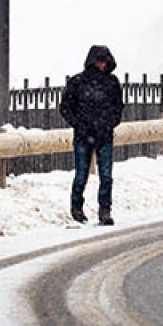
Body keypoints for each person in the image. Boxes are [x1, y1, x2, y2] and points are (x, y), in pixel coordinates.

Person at [59, 45, 125, 225]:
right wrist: (80, 125)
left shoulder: (111, 83)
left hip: (103, 135)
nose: (102, 65)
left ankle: (104, 210)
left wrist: (109, 123)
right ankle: (77, 208)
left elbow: (118, 108)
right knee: (82, 175)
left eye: (104, 61)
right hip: (85, 135)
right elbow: (65, 107)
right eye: (99, 61)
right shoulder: (78, 82)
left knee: (106, 176)